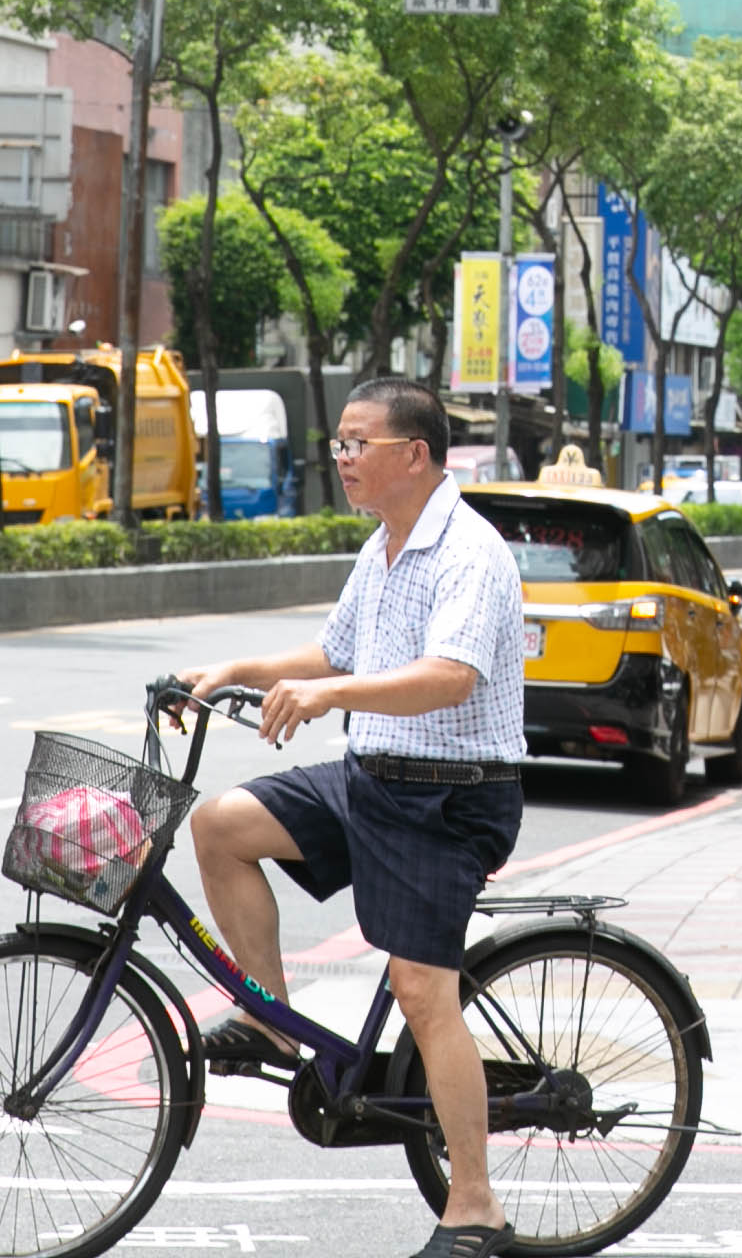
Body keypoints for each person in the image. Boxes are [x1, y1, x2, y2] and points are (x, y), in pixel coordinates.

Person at [175, 379, 531, 1258]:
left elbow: (450, 675)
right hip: (371, 775)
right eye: (337, 443)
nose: (341, 459)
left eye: (356, 443)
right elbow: (334, 650)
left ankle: (475, 1204)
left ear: (414, 454)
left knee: (422, 991)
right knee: (220, 824)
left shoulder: (468, 553)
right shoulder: (384, 545)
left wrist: (328, 693)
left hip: (449, 796)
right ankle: (267, 1016)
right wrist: (236, 669)